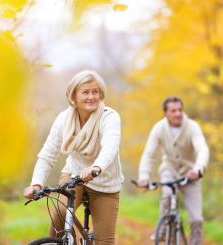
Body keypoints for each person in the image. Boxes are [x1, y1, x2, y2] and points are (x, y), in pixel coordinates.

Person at [24, 70, 124, 245]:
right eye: (85, 92)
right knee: (60, 214)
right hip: (74, 176)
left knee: (104, 241)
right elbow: (48, 154)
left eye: (95, 92)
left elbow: (110, 147)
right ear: (74, 97)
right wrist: (36, 183)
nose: (91, 96)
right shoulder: (64, 119)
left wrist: (96, 168)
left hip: (105, 182)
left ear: (101, 94)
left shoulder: (109, 116)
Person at [136, 96, 209, 245]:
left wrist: (198, 169)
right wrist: (143, 176)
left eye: (180, 110)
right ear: (165, 113)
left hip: (191, 174)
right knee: (167, 196)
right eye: (173, 111)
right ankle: (163, 229)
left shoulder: (192, 127)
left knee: (196, 219)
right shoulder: (159, 128)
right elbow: (149, 154)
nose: (178, 114)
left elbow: (202, 149)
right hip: (169, 170)